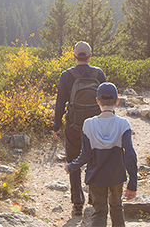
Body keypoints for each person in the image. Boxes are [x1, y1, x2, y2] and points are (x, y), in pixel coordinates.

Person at [65, 82, 137, 227]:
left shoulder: (88, 124)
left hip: (96, 176)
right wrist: (132, 183)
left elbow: (85, 155)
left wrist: (71, 166)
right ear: (117, 101)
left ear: (97, 101)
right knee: (117, 207)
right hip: (117, 176)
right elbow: (130, 155)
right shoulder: (123, 124)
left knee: (99, 211)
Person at [53, 41, 106, 216]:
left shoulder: (67, 75)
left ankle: (77, 203)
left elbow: (60, 103)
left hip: (74, 126)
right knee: (95, 159)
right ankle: (93, 196)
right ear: (90, 56)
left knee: (74, 161)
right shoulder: (99, 74)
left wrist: (57, 126)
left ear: (74, 56)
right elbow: (107, 102)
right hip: (96, 126)